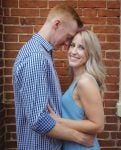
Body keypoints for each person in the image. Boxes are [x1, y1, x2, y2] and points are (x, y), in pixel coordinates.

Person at [12, 4, 94, 150]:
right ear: (57, 24)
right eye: (68, 37)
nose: (68, 44)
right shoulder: (36, 58)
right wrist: (79, 137)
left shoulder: (43, 53)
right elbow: (39, 120)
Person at [49, 30, 106, 150]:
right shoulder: (77, 80)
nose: (73, 52)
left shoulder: (85, 82)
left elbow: (98, 125)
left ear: (90, 53)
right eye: (73, 45)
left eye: (81, 47)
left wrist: (59, 121)